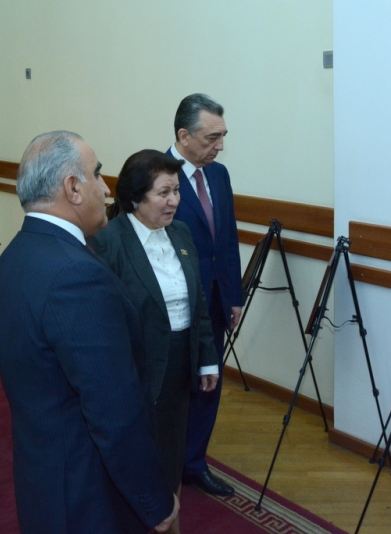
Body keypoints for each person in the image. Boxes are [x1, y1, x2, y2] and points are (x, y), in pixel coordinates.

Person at [0, 132, 178, 533]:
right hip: (89, 495)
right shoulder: (75, 275)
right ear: (73, 187)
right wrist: (154, 500)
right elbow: (113, 410)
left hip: (43, 478)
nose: (106, 188)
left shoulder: (15, 255)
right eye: (97, 174)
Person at [90, 149, 219, 534]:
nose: (174, 201)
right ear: (135, 197)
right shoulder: (108, 243)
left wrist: (206, 358)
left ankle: (170, 522)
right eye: (164, 193)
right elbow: (103, 322)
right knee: (136, 456)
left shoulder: (180, 233)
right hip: (136, 369)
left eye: (176, 191)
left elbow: (198, 302)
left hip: (179, 365)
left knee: (171, 454)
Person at [168, 93, 243, 497]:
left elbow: (226, 240)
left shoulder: (219, 175)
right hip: (172, 306)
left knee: (208, 384)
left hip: (214, 302)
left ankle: (194, 464)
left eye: (223, 135)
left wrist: (234, 296)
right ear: (184, 136)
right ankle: (164, 462)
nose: (221, 146)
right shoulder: (157, 176)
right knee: (172, 388)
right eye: (213, 137)